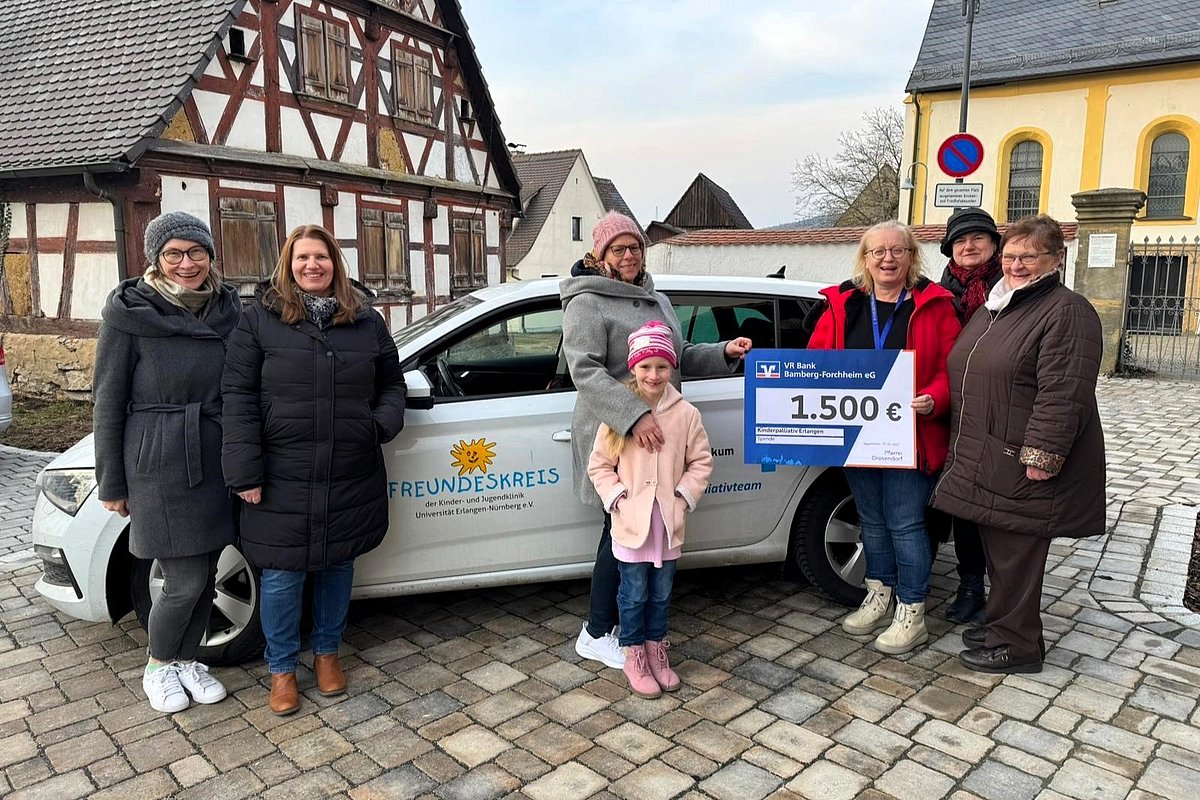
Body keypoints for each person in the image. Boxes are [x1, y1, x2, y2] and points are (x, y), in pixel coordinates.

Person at [222, 224, 406, 715]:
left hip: (349, 466)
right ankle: (282, 669)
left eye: (321, 257)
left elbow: (392, 384)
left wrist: (379, 425)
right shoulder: (258, 321)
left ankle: (327, 653)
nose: (312, 265)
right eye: (302, 257)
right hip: (282, 470)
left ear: (334, 264)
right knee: (282, 574)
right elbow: (237, 398)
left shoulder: (366, 321)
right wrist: (245, 472)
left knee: (337, 566)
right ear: (288, 264)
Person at [560, 211, 751, 670]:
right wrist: (634, 416)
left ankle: (631, 629)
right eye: (618, 248)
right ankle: (597, 631)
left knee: (642, 536)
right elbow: (585, 370)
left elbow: (675, 357)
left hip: (663, 437)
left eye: (635, 247)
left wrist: (723, 352)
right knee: (619, 533)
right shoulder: (587, 300)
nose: (629, 255)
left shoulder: (657, 298)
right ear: (601, 254)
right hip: (619, 434)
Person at [931, 215, 1105, 675]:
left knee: (1016, 554)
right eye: (1011, 256)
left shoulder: (1066, 310)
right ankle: (1003, 626)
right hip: (990, 447)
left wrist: (1043, 456)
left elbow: (1064, 391)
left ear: (1056, 259)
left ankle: (1017, 646)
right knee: (999, 550)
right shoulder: (1002, 304)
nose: (1017, 265)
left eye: (1029, 256)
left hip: (1022, 455)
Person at [93, 211, 241, 713]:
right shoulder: (130, 313)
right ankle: (158, 665)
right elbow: (108, 402)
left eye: (196, 252)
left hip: (215, 454)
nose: (186, 263)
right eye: (173, 253)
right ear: (156, 258)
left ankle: (186, 660)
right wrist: (112, 482)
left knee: (207, 574)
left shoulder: (227, 308)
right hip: (158, 459)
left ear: (210, 256)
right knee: (183, 580)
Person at [808, 221, 960, 655]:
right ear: (865, 258)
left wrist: (935, 398)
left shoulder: (935, 305)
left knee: (905, 522)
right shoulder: (843, 305)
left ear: (911, 256)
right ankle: (879, 594)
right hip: (859, 435)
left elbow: (953, 367)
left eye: (897, 250)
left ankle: (912, 611)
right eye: (878, 252)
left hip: (912, 435)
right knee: (871, 521)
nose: (887, 259)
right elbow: (816, 360)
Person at [587, 322, 713, 697]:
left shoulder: (686, 414)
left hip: (667, 525)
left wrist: (683, 497)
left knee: (661, 593)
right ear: (633, 368)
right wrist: (618, 499)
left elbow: (701, 462)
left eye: (661, 366)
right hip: (631, 525)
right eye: (645, 367)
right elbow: (600, 465)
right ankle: (634, 653)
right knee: (633, 593)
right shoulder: (619, 414)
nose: (653, 375)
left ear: (671, 367)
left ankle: (656, 647)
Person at [936, 207, 1003, 624]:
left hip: (997, 410)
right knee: (962, 503)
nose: (969, 246)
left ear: (994, 244)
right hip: (949, 410)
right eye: (960, 241)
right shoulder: (939, 292)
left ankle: (1006, 593)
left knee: (999, 506)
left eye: (978, 237)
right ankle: (970, 586)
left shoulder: (1011, 287)